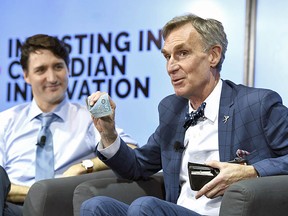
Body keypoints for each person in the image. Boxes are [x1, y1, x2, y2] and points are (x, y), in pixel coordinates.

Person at [80, 13, 288, 216]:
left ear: (213, 56)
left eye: (182, 53)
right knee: (95, 206)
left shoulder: (257, 104)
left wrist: (251, 172)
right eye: (167, 56)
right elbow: (137, 167)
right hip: (178, 210)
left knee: (145, 207)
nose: (171, 67)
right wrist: (108, 132)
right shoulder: (172, 110)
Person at [0, 34, 137, 215]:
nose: (52, 78)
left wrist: (84, 166)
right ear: (26, 76)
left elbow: (132, 149)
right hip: (12, 208)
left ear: (68, 69)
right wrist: (36, 193)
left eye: (58, 67)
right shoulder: (7, 120)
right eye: (41, 70)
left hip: (62, 206)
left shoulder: (86, 118)